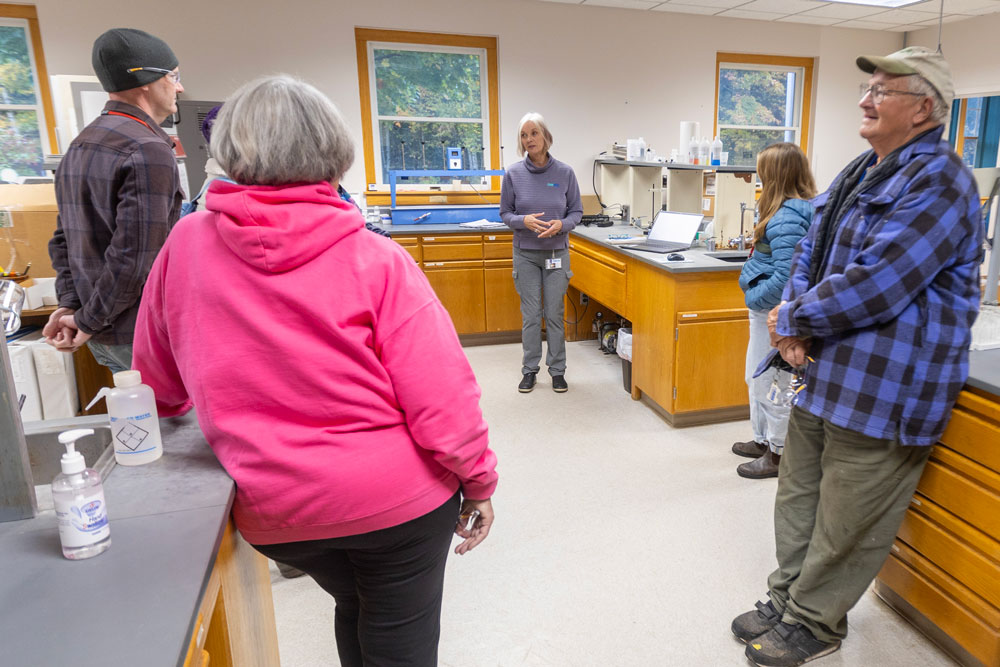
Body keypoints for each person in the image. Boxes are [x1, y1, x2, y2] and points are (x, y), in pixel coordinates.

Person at [131, 75, 498, 667]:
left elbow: (157, 387)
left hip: (278, 514)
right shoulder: (376, 259)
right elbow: (445, 402)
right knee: (399, 637)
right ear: (334, 155)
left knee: (353, 603)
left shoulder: (185, 245)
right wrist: (479, 482)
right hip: (397, 504)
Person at [731, 47, 983, 667]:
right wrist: (791, 325)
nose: (866, 100)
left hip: (886, 388)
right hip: (826, 374)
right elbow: (809, 256)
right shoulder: (859, 171)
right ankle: (788, 599)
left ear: (924, 107)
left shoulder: (941, 181)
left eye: (882, 90)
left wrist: (791, 318)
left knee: (848, 516)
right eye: (867, 88)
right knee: (799, 496)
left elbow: (880, 280)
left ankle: (816, 623)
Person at [44, 28, 184, 373]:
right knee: (173, 427)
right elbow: (134, 259)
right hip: (138, 335)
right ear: (147, 82)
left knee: (138, 426)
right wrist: (87, 320)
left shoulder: (81, 144)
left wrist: (71, 308)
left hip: (103, 336)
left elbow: (64, 240)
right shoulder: (148, 149)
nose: (179, 87)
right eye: (174, 76)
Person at [733, 143, 816, 479]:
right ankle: (762, 439)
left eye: (762, 171)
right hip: (768, 312)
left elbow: (786, 275)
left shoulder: (787, 218)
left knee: (773, 383)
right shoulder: (786, 211)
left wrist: (755, 297)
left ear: (775, 175)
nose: (758, 177)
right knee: (756, 377)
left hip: (773, 314)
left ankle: (777, 455)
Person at [500, 112, 583, 393]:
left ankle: (558, 371)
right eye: (524, 135)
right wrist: (522, 221)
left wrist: (562, 224)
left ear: (546, 136)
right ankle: (530, 370)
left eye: (534, 133)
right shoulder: (512, 174)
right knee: (532, 315)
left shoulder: (565, 173)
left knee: (556, 314)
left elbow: (577, 212)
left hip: (556, 253)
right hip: (525, 253)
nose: (529, 140)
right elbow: (505, 213)